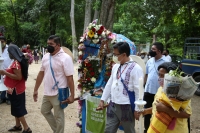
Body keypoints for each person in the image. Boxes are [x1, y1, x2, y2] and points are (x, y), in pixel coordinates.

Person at [98, 42, 143, 133]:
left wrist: (137, 109)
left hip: (126, 106)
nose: (114, 56)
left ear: (124, 54)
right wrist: (103, 100)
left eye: (116, 54)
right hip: (113, 104)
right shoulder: (116, 66)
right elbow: (110, 84)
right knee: (108, 130)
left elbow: (139, 90)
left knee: (129, 130)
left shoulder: (136, 68)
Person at [33, 35, 75, 133]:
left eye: (51, 44)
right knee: (44, 110)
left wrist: (72, 96)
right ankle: (57, 130)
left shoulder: (65, 58)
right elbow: (41, 74)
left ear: (58, 45)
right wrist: (35, 89)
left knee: (58, 116)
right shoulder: (46, 56)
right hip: (47, 92)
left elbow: (70, 78)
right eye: (48, 44)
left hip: (59, 92)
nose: (48, 46)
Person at [141, 62, 191, 133]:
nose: (160, 78)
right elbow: (158, 106)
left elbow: (187, 114)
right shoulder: (160, 89)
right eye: (159, 75)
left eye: (163, 76)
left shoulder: (181, 92)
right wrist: (145, 111)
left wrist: (165, 109)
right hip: (159, 128)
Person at [0, 44, 32, 133]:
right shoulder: (17, 61)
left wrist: (4, 73)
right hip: (15, 89)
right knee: (15, 108)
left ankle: (26, 128)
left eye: (9, 52)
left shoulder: (17, 63)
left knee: (18, 109)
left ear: (12, 53)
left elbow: (18, 77)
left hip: (16, 90)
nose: (8, 53)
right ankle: (18, 126)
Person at [143, 42, 168, 133]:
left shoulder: (166, 62)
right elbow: (146, 74)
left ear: (159, 51)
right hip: (148, 91)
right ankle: (146, 129)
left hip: (159, 93)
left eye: (153, 49)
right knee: (146, 112)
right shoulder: (149, 61)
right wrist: (144, 86)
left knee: (157, 112)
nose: (151, 51)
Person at [0, 36, 13, 105]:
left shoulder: (9, 49)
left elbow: (12, 59)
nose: (1, 43)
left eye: (2, 41)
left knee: (8, 84)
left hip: (8, 69)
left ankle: (9, 98)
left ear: (5, 42)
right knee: (1, 83)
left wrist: (9, 69)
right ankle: (2, 98)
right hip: (0, 70)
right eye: (0, 42)